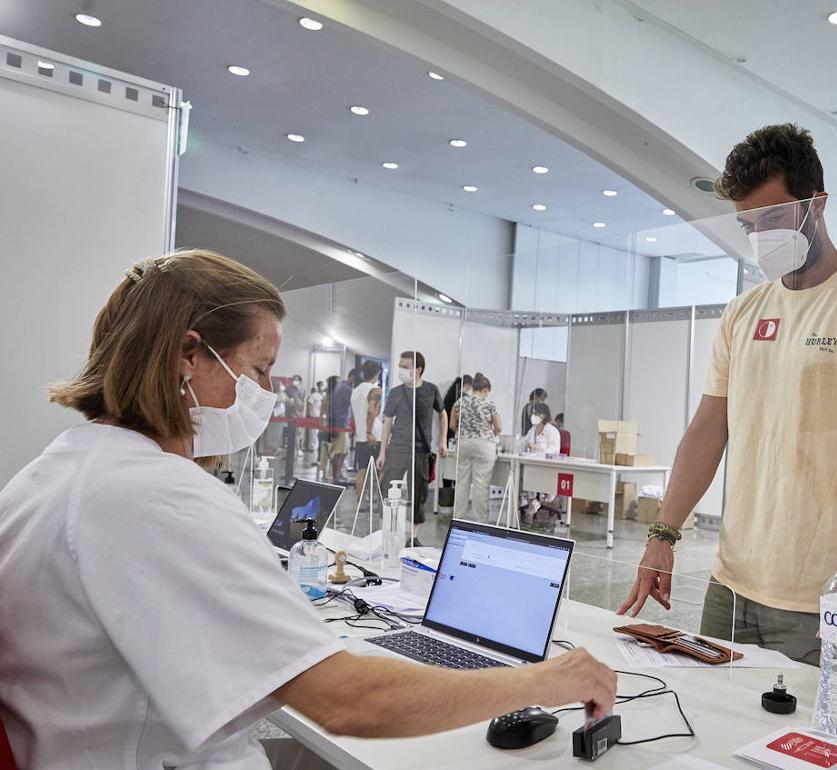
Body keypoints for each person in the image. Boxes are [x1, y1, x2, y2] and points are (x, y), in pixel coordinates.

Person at [0, 250, 615, 769]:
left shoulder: (52, 472)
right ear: (189, 356)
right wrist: (545, 681)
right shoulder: (159, 496)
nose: (265, 393)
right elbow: (348, 702)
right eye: (258, 368)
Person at [617, 124, 837, 664]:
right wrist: (661, 535)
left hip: (827, 592)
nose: (761, 236)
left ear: (818, 204)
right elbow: (706, 431)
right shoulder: (743, 312)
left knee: (813, 742)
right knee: (718, 731)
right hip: (733, 585)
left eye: (772, 219)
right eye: (749, 224)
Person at [378, 351, 448, 524]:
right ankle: (385, 528)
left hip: (421, 450)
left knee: (419, 494)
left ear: (418, 369)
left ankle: (413, 536)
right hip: (397, 448)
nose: (401, 370)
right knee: (386, 488)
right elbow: (387, 422)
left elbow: (443, 413)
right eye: (400, 366)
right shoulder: (396, 392)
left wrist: (443, 440)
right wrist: (382, 452)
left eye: (405, 367)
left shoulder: (431, 390)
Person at [450, 373, 502, 520]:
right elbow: (498, 427)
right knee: (481, 484)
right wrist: (489, 433)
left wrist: (466, 432)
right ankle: (480, 521)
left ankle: (458, 517)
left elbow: (452, 425)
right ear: (485, 389)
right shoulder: (489, 404)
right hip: (484, 446)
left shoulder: (460, 402)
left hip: (464, 443)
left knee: (461, 483)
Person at [351, 361, 383, 498]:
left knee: (361, 470)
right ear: (377, 373)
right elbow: (371, 411)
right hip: (374, 435)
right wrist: (369, 432)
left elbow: (354, 414)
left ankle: (361, 501)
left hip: (360, 437)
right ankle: (380, 503)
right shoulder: (375, 390)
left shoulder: (356, 390)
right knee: (381, 471)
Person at [327, 371, 353, 484]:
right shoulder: (345, 389)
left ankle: (338, 474)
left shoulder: (340, 387)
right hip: (340, 424)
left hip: (341, 423)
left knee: (344, 451)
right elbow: (352, 402)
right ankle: (335, 477)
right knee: (339, 452)